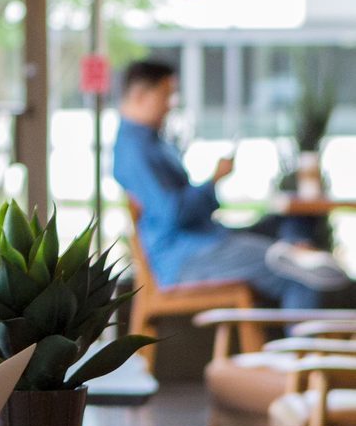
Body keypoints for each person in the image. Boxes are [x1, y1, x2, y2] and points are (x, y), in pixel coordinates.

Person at [112, 58, 348, 310]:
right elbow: (174, 213)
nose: (171, 104)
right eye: (165, 96)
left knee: (288, 224)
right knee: (295, 272)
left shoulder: (154, 143)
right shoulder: (134, 150)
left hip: (207, 239)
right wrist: (213, 179)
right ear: (139, 95)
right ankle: (294, 266)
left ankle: (294, 249)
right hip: (186, 256)